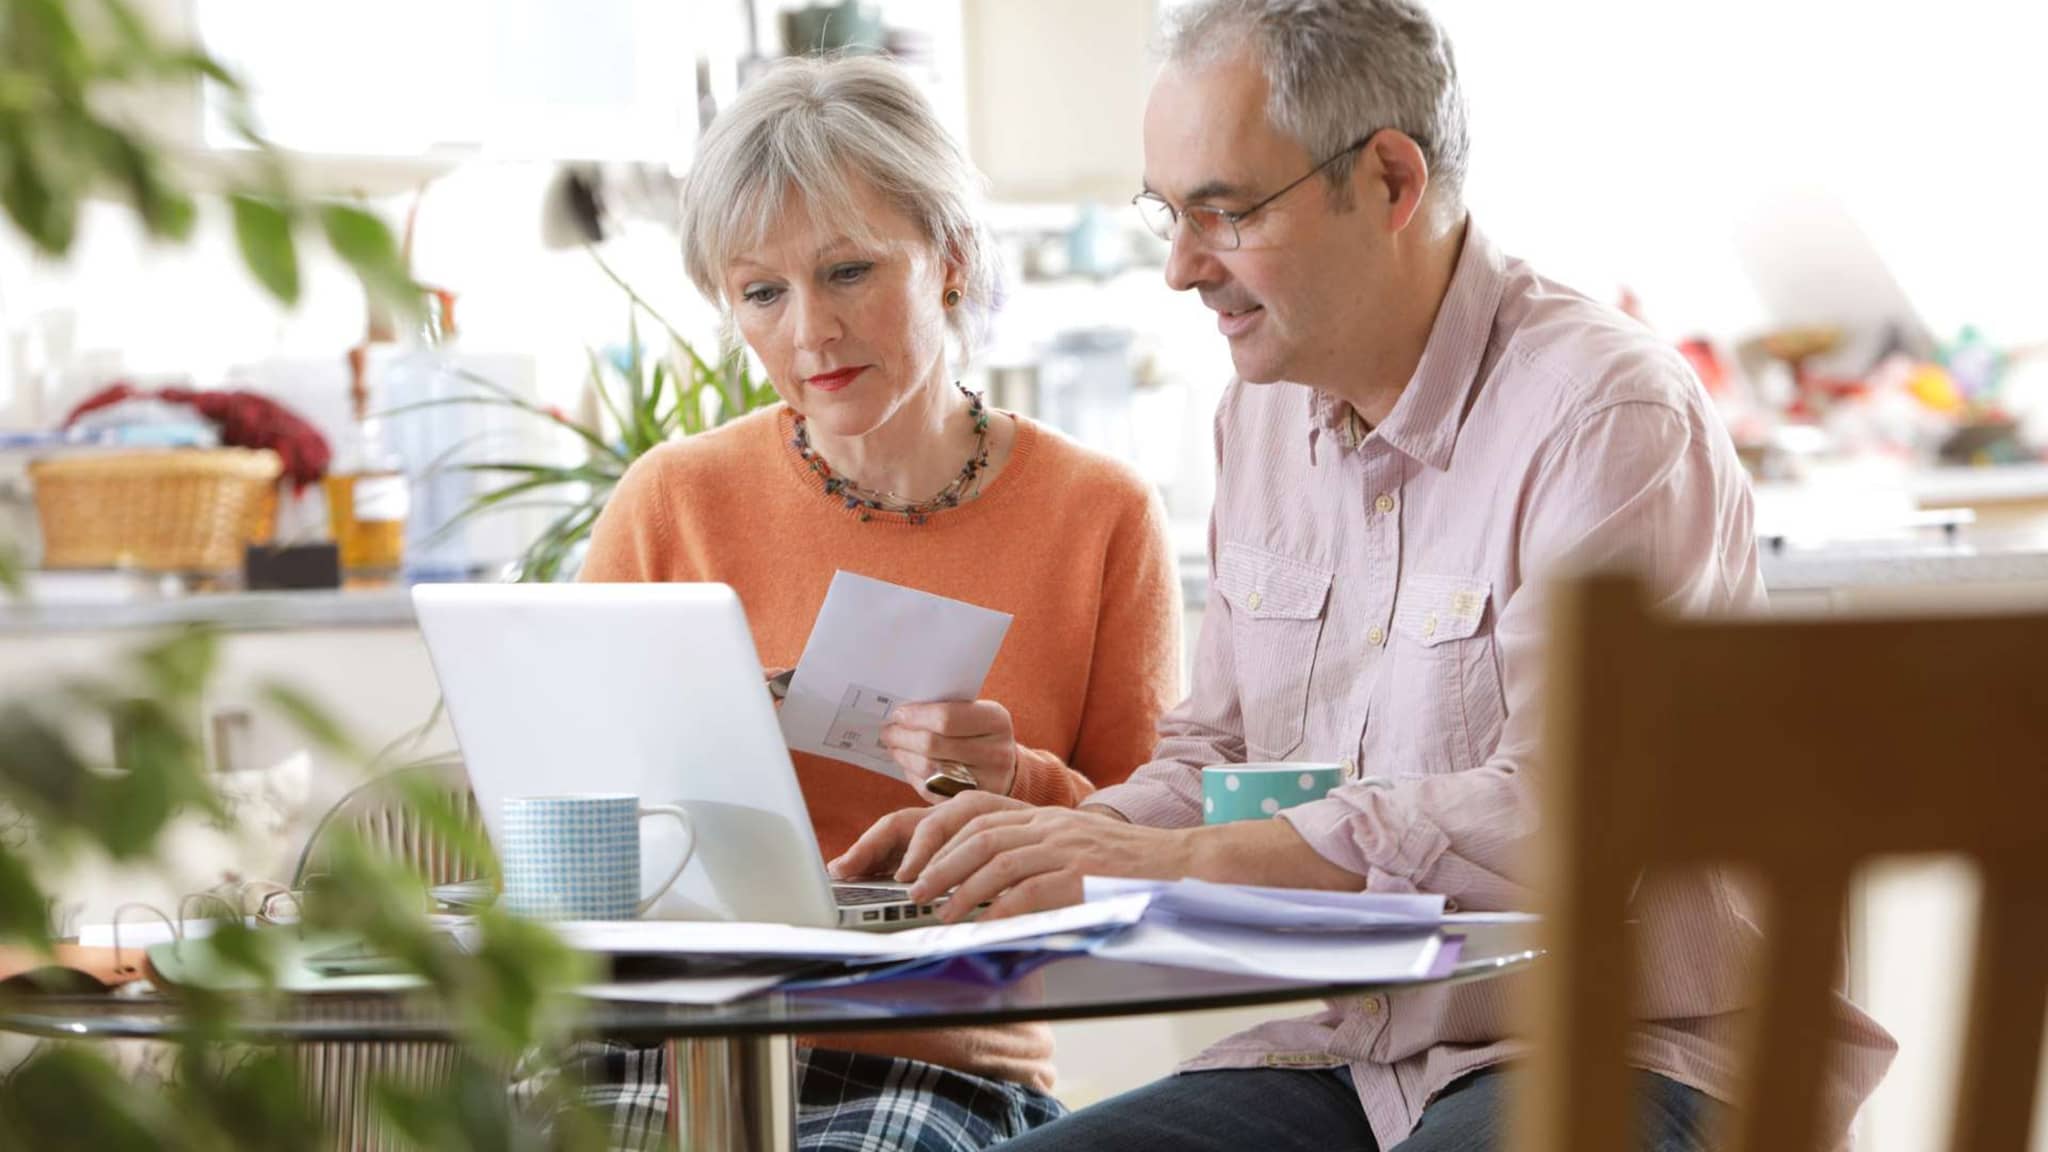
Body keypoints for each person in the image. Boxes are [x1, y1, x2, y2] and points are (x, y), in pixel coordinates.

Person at [829, 2, 1898, 1149]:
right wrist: (1036, 844)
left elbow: (1574, 808)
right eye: (1166, 214)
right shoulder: (1261, 413)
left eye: (1223, 211)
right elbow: (1226, 764)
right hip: (1363, 1055)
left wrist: (1164, 857)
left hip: (1632, 1046)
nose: (1181, 268)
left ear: (1389, 180)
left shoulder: (1603, 417)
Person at [567, 55, 1182, 1151]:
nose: (808, 332)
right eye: (762, 292)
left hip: (935, 1056)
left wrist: (1015, 788)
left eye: (848, 271)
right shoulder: (674, 500)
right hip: (663, 1033)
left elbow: (1150, 881)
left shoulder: (1097, 515)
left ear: (947, 260)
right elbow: (563, 822)